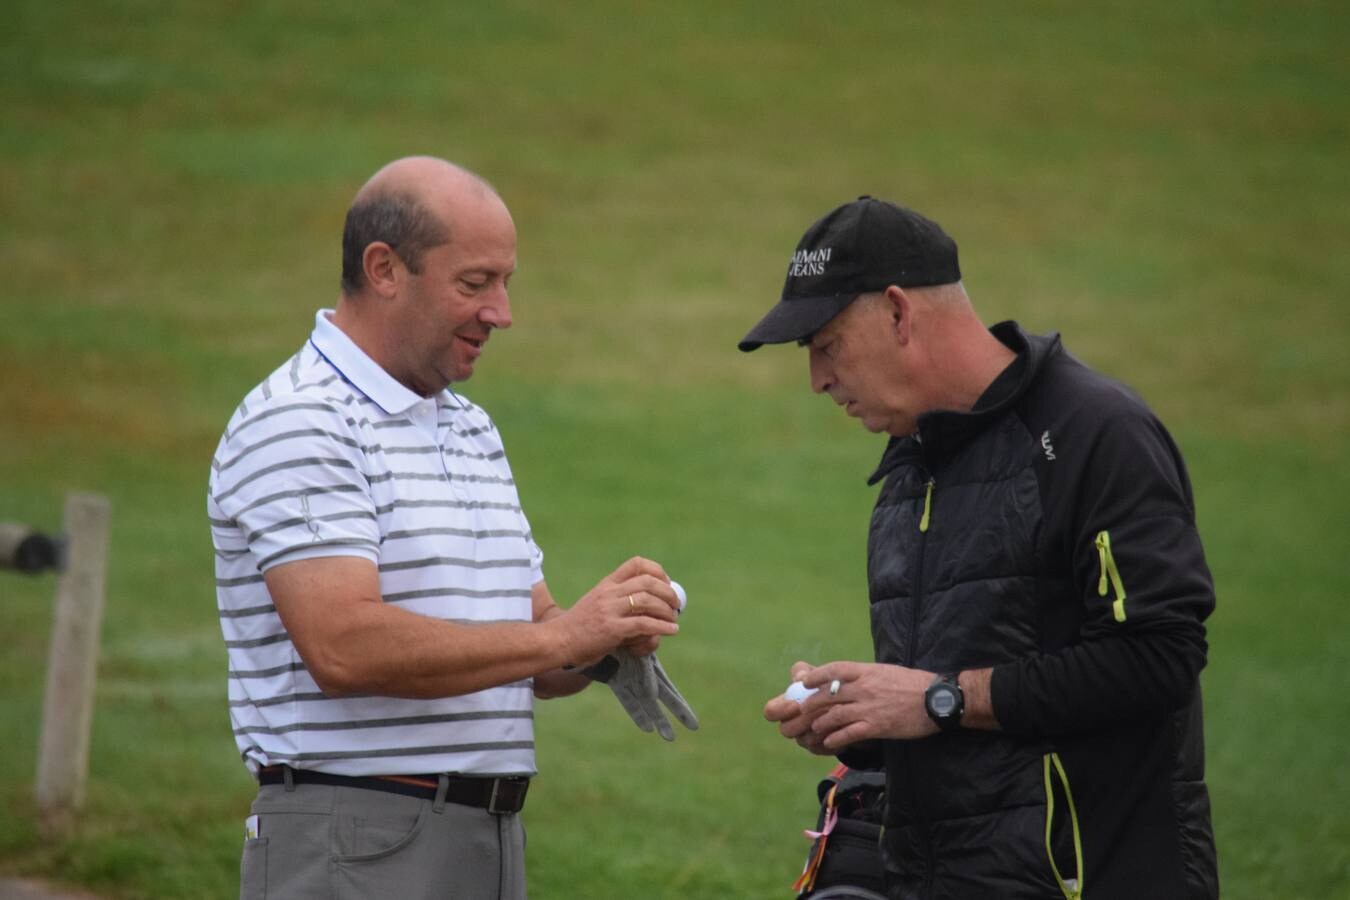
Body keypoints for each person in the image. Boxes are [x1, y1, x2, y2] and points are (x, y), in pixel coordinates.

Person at [208, 156, 696, 900]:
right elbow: (343, 646)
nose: (501, 312)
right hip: (355, 839)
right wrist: (563, 637)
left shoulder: (470, 428)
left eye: (506, 283)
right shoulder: (300, 419)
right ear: (384, 269)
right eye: (475, 283)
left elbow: (533, 651)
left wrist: (600, 641)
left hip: (481, 839)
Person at [743, 196, 1218, 899]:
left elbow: (1160, 655)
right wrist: (866, 718)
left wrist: (939, 699)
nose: (816, 380)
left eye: (826, 345)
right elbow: (972, 702)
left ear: (900, 313)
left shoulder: (1095, 434)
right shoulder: (913, 460)